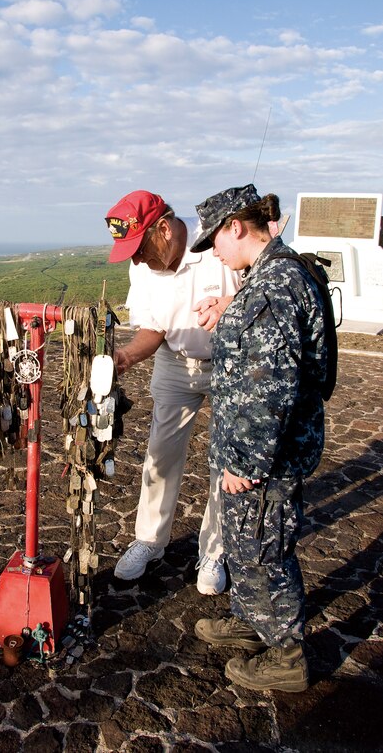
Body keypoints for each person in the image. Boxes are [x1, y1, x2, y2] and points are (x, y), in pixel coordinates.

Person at [191, 184, 327, 692]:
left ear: (235, 226)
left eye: (214, 241)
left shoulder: (273, 285)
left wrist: (245, 463)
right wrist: (230, 309)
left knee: (267, 548)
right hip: (255, 449)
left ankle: (287, 655)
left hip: (265, 456)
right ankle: (251, 623)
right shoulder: (267, 277)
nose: (214, 253)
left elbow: (270, 387)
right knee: (245, 544)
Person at [105, 190, 240, 593]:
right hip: (174, 361)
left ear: (163, 229)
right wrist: (126, 356)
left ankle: (214, 551)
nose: (136, 259)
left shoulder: (216, 243)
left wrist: (229, 302)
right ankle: (149, 540)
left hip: (231, 363)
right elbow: (153, 329)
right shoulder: (143, 267)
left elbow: (261, 290)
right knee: (160, 453)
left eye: (139, 247)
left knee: (226, 459)